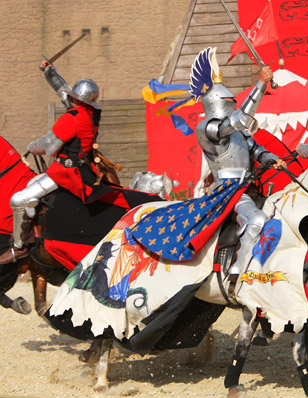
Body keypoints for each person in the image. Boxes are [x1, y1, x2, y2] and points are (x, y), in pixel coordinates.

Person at [131, 47, 285, 286]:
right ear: (216, 103)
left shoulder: (238, 132)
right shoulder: (207, 128)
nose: (232, 104)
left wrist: (272, 159)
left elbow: (256, 149)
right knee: (257, 220)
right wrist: (260, 85)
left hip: (249, 185)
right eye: (228, 102)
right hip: (227, 190)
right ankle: (237, 272)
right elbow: (240, 120)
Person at [0, 61, 151, 264]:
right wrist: (49, 72)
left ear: (76, 99)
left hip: (67, 172)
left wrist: (30, 146)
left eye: (71, 97)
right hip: (78, 167)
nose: (67, 99)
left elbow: (48, 146)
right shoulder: (89, 114)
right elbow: (63, 91)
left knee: (19, 199)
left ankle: (19, 246)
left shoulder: (72, 118)